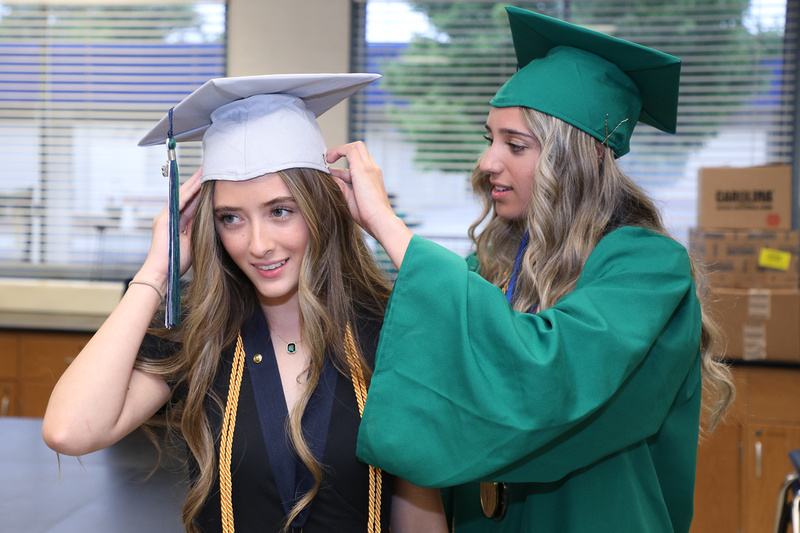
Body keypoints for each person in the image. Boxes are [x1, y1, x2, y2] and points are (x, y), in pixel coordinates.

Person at [326, 7, 735, 533]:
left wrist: (387, 224)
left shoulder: (648, 271)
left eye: (515, 145)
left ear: (574, 159)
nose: (487, 162)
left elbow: (544, 374)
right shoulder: (493, 264)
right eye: (489, 138)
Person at [42, 74, 447, 533]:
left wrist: (382, 220)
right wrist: (157, 270)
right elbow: (69, 431)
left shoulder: (388, 331)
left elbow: (418, 514)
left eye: (280, 211)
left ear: (322, 208)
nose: (257, 244)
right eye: (230, 218)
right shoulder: (202, 336)